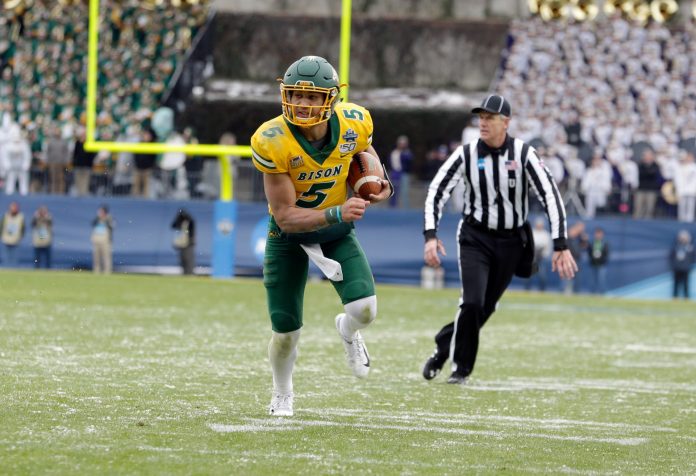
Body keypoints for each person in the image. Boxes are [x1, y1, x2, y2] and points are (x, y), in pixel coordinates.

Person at [250, 55, 392, 416]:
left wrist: (377, 183)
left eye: (312, 97)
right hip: (289, 239)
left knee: (365, 310)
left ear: (332, 98)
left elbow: (366, 155)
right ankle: (282, 392)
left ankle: (347, 330)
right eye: (297, 95)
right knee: (285, 333)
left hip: (336, 232)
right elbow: (284, 217)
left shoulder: (354, 122)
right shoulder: (273, 139)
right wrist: (336, 211)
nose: (302, 103)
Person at [422, 94, 577, 385]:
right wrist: (431, 236)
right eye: (481, 117)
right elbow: (436, 191)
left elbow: (550, 195)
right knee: (471, 302)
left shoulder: (523, 154)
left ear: (505, 122)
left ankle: (444, 345)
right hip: (474, 237)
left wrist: (561, 244)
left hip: (510, 242)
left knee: (484, 308)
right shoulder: (465, 154)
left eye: (490, 117)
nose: (483, 123)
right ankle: (461, 369)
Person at [524, 217, 552, 291]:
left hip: (542, 258)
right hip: (532, 257)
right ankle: (527, 289)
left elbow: (548, 247)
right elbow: (528, 245)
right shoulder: (532, 232)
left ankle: (542, 290)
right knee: (529, 274)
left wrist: (543, 254)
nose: (539, 226)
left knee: (542, 275)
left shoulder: (546, 234)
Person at [388, 135, 413, 208]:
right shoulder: (394, 152)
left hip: (404, 174)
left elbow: (409, 162)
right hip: (395, 173)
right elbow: (391, 162)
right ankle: (393, 206)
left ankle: (404, 207)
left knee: (404, 191)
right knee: (393, 190)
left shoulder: (407, 153)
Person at [670, 229, 694, 299]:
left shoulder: (690, 247)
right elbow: (671, 257)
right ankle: (675, 298)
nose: (683, 239)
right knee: (676, 285)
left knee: (686, 285)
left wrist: (689, 265)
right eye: (681, 237)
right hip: (677, 268)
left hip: (686, 268)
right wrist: (674, 265)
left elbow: (693, 258)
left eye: (684, 237)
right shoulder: (676, 246)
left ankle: (686, 298)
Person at [171, 208, 195, 275]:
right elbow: (173, 225)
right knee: (183, 260)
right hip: (182, 245)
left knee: (189, 260)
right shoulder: (180, 222)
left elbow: (191, 222)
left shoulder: (190, 222)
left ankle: (190, 273)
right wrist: (178, 218)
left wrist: (185, 216)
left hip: (189, 245)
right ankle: (185, 273)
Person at [0, 201, 25, 266]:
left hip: (16, 240)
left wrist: (20, 237)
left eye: (15, 207)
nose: (13, 209)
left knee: (15, 260)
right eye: (12, 207)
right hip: (6, 240)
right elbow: (1, 227)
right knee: (5, 259)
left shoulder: (21, 216)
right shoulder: (5, 216)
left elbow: (23, 228)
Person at [91, 205, 114, 274]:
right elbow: (92, 223)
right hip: (97, 239)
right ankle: (96, 271)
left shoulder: (109, 218)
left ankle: (107, 271)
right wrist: (98, 218)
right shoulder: (97, 218)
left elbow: (112, 227)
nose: (100, 212)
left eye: (101, 211)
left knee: (106, 257)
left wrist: (105, 219)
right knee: (96, 257)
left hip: (105, 241)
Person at [587, 227, 609, 294]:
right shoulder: (592, 242)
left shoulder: (604, 243)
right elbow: (589, 252)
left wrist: (602, 259)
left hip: (601, 265)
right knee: (592, 281)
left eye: (599, 233)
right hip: (593, 264)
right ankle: (592, 294)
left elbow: (607, 253)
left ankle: (602, 294)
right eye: (597, 233)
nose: (598, 235)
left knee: (601, 281)